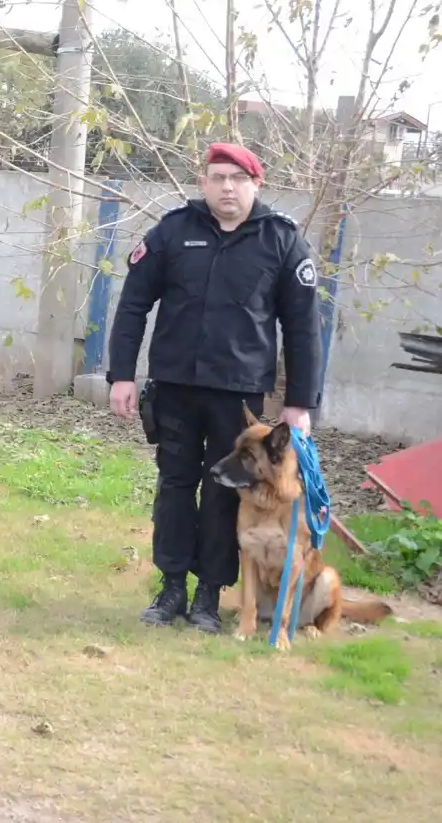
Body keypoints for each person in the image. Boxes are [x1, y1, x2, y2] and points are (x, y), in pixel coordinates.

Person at [106, 141, 323, 634]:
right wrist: (122, 374)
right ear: (203, 183)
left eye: (238, 179)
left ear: (255, 185)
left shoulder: (282, 241)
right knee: (176, 485)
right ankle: (172, 588)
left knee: (225, 491)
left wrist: (299, 404)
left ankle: (210, 593)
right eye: (218, 177)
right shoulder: (173, 232)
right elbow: (133, 304)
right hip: (176, 387)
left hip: (239, 396)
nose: (228, 187)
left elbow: (304, 328)